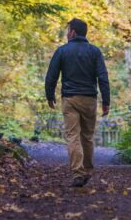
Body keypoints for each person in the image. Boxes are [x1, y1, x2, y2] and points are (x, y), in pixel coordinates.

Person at [44, 18, 110, 187]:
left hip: (70, 99)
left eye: (68, 30)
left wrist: (49, 95)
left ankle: (78, 173)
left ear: (73, 32)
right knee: (87, 137)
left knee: (73, 136)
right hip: (89, 99)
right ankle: (87, 170)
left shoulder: (62, 51)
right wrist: (106, 101)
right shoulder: (95, 52)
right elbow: (103, 77)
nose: (67, 34)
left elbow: (52, 75)